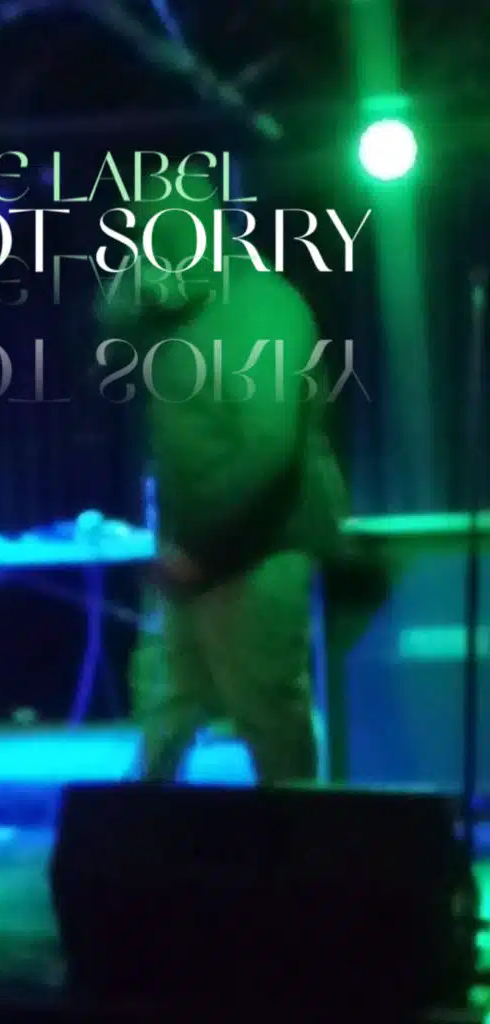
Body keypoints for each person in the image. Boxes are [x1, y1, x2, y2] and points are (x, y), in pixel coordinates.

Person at [99, 173, 349, 785]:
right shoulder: (176, 312)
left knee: (268, 716)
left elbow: (269, 451)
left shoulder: (261, 308)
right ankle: (138, 833)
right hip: (191, 554)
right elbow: (103, 335)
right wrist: (132, 294)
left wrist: (200, 552)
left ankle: (298, 840)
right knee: (165, 709)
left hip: (258, 551)